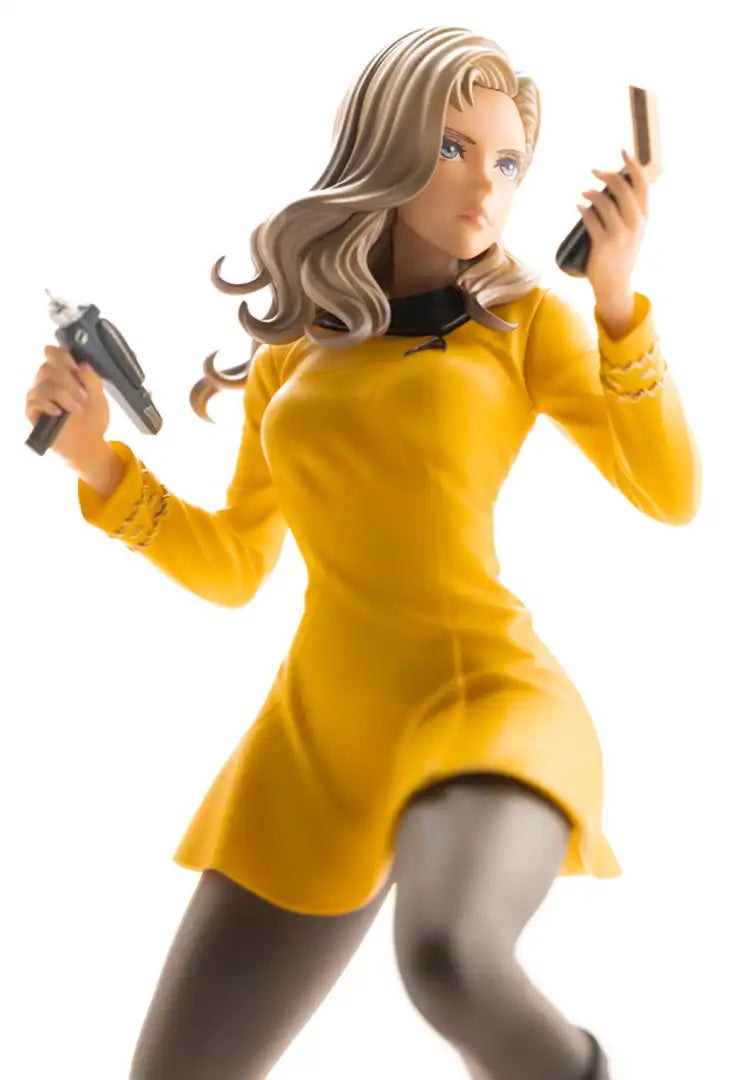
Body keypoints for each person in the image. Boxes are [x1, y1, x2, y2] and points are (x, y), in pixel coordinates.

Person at [24, 24, 701, 1080]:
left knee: (451, 959)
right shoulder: (296, 355)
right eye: (453, 148)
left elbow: (671, 493)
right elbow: (236, 563)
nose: (483, 187)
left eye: (509, 162)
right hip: (319, 740)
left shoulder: (522, 325)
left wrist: (616, 305)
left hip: (484, 703)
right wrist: (98, 463)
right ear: (385, 145)